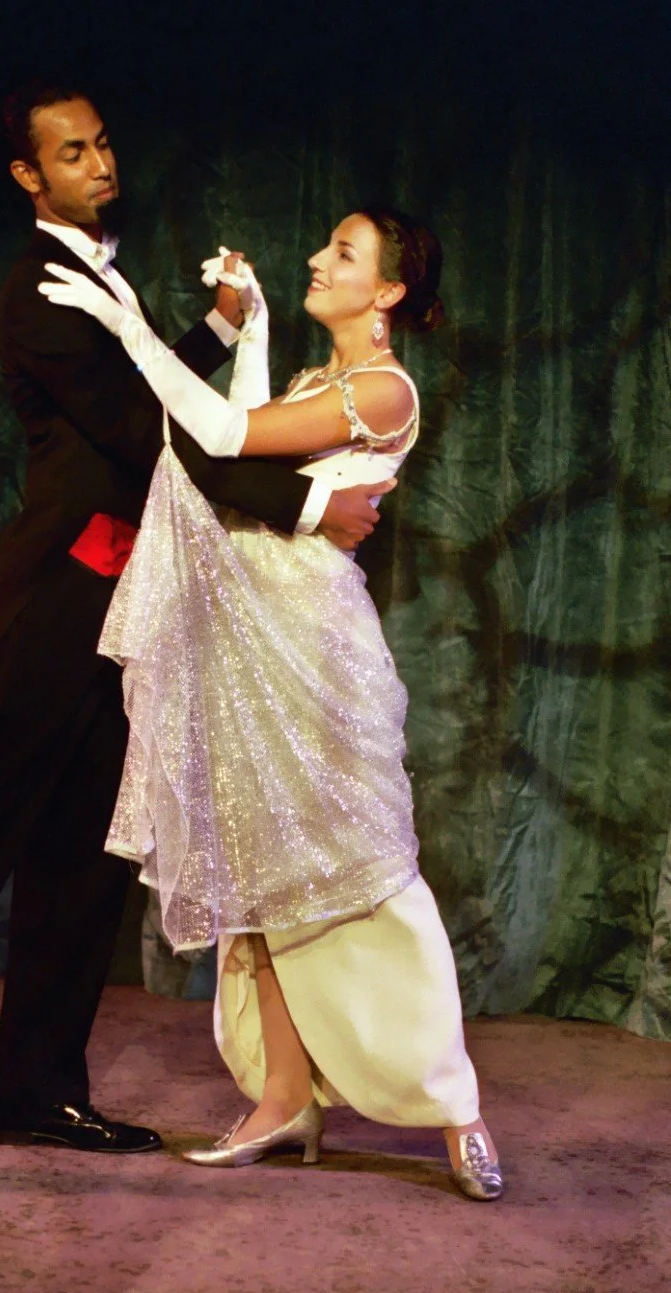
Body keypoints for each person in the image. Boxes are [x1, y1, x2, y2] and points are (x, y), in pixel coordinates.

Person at [0, 82, 390, 1201]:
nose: (99, 163)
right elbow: (142, 434)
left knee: (81, 849)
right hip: (55, 600)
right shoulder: (43, 287)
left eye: (103, 143)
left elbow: (146, 390)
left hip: (127, 605)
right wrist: (310, 505)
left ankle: (34, 1090)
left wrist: (216, 329)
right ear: (29, 174)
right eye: (72, 152)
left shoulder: (98, 276)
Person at [38, 206, 504, 1200]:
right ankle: (284, 1097)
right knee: (254, 867)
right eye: (325, 244)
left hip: (314, 648)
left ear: (387, 291)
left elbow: (214, 433)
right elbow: (236, 457)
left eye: (344, 253)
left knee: (366, 874)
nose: (317, 260)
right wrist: (248, 331)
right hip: (252, 637)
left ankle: (455, 1104)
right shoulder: (313, 382)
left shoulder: (381, 389)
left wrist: (126, 325)